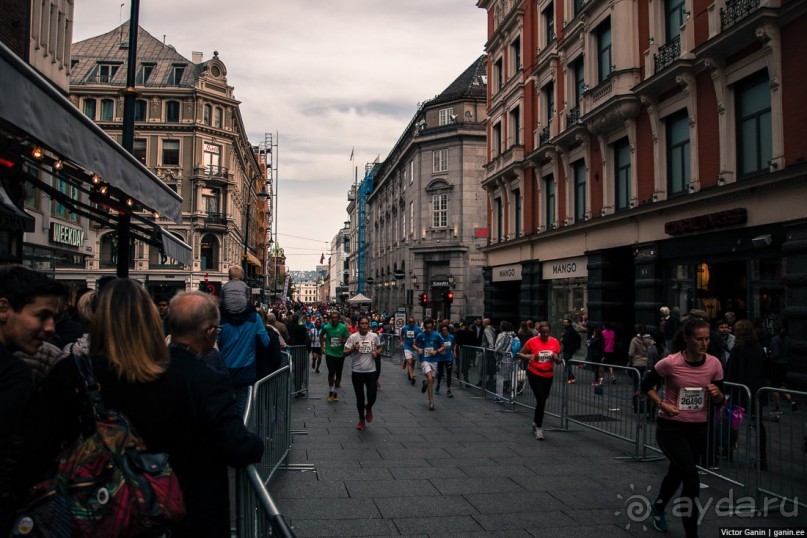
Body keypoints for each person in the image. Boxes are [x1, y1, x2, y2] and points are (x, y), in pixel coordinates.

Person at [20, 281, 264, 537]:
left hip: (90, 514)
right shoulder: (188, 377)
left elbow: (36, 452)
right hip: (175, 513)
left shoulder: (70, 374)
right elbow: (233, 444)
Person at [641, 317, 725, 537]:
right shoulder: (670, 362)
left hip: (697, 428)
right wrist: (662, 404)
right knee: (691, 476)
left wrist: (718, 396)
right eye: (699, 339)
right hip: (670, 427)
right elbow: (646, 385)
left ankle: (658, 506)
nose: (704, 343)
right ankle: (691, 534)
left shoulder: (714, 364)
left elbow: (721, 397)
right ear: (687, 339)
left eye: (707, 338)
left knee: (677, 473)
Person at [0, 266, 62, 533]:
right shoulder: (14, 375)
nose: (50, 328)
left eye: (54, 318)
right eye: (41, 316)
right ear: (4, 309)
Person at [217, 291, 270, 416]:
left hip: (225, 370)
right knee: (244, 410)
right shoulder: (254, 317)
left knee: (225, 409)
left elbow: (213, 344)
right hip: (246, 369)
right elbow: (265, 342)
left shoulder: (220, 318)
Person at [517, 321, 562, 440]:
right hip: (534, 373)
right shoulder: (532, 341)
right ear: (539, 332)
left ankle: (535, 423)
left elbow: (558, 361)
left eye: (548, 332)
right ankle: (539, 428)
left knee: (542, 401)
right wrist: (527, 356)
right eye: (543, 332)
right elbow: (520, 353)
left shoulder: (555, 342)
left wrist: (557, 359)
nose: (546, 334)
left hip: (548, 375)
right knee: (541, 400)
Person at [343, 316, 382, 431]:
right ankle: (361, 419)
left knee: (372, 396)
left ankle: (368, 407)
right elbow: (344, 352)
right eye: (362, 323)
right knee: (360, 398)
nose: (364, 325)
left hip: (371, 371)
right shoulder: (353, 337)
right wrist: (353, 349)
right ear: (358, 325)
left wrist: (376, 353)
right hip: (357, 372)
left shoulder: (374, 336)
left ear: (368, 325)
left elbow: (380, 348)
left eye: (366, 323)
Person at [413, 318, 445, 411]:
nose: (429, 330)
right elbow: (414, 344)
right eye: (427, 328)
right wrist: (418, 349)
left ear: (433, 327)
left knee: (431, 380)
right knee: (430, 378)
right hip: (425, 359)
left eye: (430, 328)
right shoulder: (420, 335)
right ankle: (431, 402)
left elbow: (443, 346)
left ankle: (425, 382)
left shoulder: (437, 335)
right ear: (424, 327)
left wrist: (436, 351)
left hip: (434, 360)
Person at [320, 311, 350, 402]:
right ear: (330, 319)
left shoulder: (343, 327)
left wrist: (343, 339)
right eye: (332, 318)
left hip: (340, 354)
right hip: (330, 353)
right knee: (331, 372)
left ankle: (336, 392)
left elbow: (348, 339)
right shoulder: (326, 327)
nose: (334, 319)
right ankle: (331, 390)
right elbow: (321, 336)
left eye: (336, 318)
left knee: (339, 375)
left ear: (339, 318)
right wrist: (322, 346)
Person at [769, 321, 797, 414]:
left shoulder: (774, 340)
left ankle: (777, 408)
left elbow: (775, 354)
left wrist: (769, 357)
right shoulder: (788, 339)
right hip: (785, 364)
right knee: (781, 384)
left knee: (774, 387)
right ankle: (791, 401)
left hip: (776, 365)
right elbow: (790, 352)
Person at [493, 321, 517, 401]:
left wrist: (495, 352)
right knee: (513, 377)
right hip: (513, 358)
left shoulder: (502, 335)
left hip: (503, 358)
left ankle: (499, 395)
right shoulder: (514, 335)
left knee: (500, 376)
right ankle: (513, 395)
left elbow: (498, 347)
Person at [399, 316, 421, 386]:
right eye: (410, 322)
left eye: (413, 322)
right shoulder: (405, 328)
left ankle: (409, 372)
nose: (412, 323)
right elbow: (401, 334)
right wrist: (401, 341)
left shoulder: (418, 329)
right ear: (408, 322)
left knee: (413, 363)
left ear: (414, 322)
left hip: (414, 347)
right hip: (407, 346)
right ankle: (412, 378)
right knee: (410, 362)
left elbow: (421, 336)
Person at [435, 324, 455, 397]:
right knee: (440, 373)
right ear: (441, 331)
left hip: (449, 357)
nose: (445, 332)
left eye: (446, 330)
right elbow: (436, 346)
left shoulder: (451, 337)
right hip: (440, 357)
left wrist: (454, 351)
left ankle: (449, 390)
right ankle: (438, 385)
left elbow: (454, 344)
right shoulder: (438, 337)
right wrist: (439, 351)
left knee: (449, 373)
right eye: (443, 330)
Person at [561, 318, 582, 384]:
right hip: (570, 349)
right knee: (567, 363)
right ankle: (569, 377)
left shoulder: (569, 330)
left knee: (567, 363)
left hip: (568, 349)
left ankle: (571, 377)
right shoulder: (570, 330)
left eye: (565, 322)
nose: (564, 323)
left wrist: (562, 340)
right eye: (563, 322)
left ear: (569, 323)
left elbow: (566, 341)